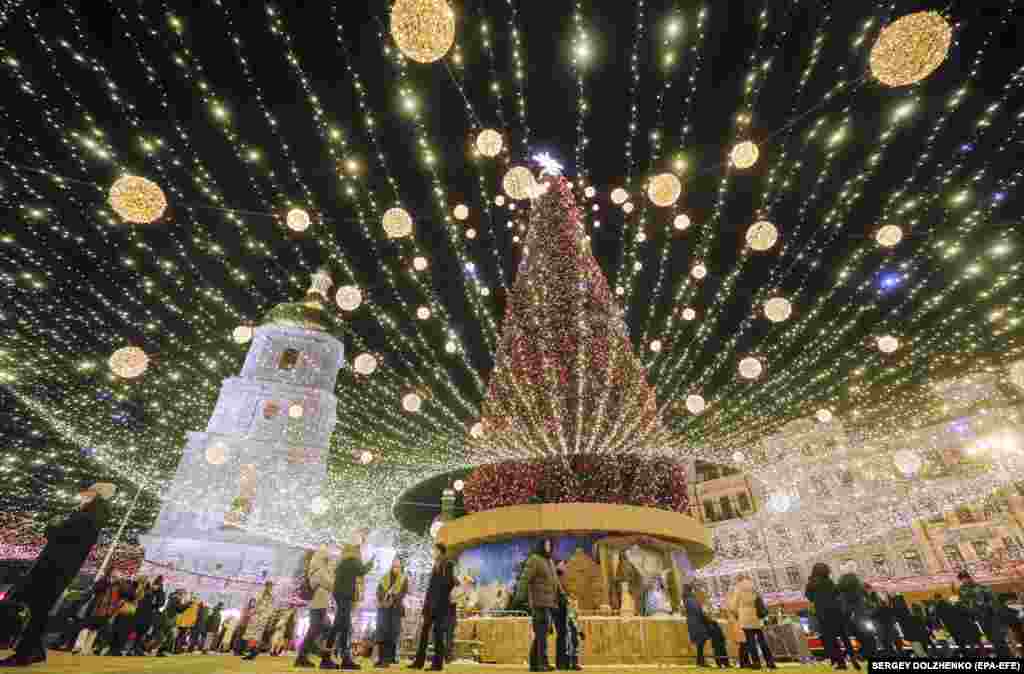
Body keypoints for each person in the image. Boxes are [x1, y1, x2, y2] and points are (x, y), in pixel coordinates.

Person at [0, 483, 114, 667]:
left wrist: (53, 526)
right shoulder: (90, 516)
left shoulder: (87, 518)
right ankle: (33, 651)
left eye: (90, 492)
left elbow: (60, 535)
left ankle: (24, 654)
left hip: (53, 568)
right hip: (57, 568)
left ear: (97, 495)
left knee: (28, 606)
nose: (85, 495)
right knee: (37, 610)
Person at [515, 539, 562, 673]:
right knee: (541, 634)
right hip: (538, 603)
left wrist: (562, 596)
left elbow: (555, 582)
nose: (548, 547)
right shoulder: (534, 559)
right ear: (541, 545)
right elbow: (525, 578)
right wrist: (519, 597)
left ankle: (535, 663)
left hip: (548, 603)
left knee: (542, 634)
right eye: (546, 545)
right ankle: (542, 663)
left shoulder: (549, 561)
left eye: (550, 545)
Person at [328, 544, 375, 670]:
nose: (359, 554)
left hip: (340, 597)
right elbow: (363, 571)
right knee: (341, 626)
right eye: (358, 552)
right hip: (345, 597)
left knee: (342, 627)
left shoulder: (343, 562)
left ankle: (342, 658)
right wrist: (372, 561)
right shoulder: (352, 561)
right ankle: (329, 658)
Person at [410, 543, 456, 671]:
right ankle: (419, 661)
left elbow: (448, 583)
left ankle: (437, 664)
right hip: (430, 605)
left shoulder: (448, 564)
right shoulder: (435, 565)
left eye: (434, 550)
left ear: (440, 551)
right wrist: (426, 604)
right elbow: (431, 588)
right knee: (424, 633)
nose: (432, 552)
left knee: (438, 634)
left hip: (441, 606)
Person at [295, 546, 336, 668]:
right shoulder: (318, 569)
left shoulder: (319, 567)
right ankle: (303, 656)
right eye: (327, 556)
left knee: (321, 628)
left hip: (320, 603)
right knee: (315, 630)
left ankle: (311, 654)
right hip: (318, 603)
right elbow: (329, 584)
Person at [957, 570, 1010, 658]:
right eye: (962, 579)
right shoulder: (961, 591)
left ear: (969, 577)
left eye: (965, 578)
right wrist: (969, 611)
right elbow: (963, 604)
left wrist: (986, 606)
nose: (964, 581)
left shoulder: (981, 587)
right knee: (990, 637)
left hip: (990, 616)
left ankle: (1006, 655)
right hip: (979, 618)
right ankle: (1001, 654)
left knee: (998, 637)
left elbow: (993, 600)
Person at [727, 575, 775, 669]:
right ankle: (770, 662)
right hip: (756, 617)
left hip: (745, 617)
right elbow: (760, 600)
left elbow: (733, 606)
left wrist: (736, 612)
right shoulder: (754, 587)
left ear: (738, 580)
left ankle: (756, 663)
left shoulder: (738, 588)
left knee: (750, 641)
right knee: (762, 640)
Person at [806, 563, 848, 670]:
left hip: (823, 614)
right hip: (835, 612)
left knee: (830, 639)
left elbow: (809, 596)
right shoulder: (829, 581)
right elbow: (836, 593)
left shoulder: (812, 583)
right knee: (842, 636)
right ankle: (848, 658)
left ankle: (839, 661)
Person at [375, 557, 408, 668]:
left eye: (398, 567)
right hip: (383, 609)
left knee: (392, 634)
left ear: (400, 567)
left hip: (396, 609)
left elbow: (403, 593)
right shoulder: (384, 578)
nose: (396, 568)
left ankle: (388, 659)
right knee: (381, 633)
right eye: (394, 566)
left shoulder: (403, 579)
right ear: (391, 566)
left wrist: (393, 598)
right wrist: (383, 599)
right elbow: (379, 590)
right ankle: (381, 659)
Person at [836, 570, 873, 662]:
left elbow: (841, 607)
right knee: (868, 638)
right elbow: (867, 600)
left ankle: (862, 654)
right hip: (861, 618)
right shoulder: (859, 590)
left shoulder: (842, 594)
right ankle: (866, 654)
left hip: (850, 620)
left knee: (859, 638)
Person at [242, 581, 275, 661]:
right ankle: (252, 652)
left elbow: (270, 608)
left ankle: (253, 652)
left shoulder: (269, 596)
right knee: (253, 636)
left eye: (270, 586)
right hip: (257, 617)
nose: (269, 588)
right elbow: (255, 604)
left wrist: (266, 616)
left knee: (255, 636)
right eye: (268, 586)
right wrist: (252, 613)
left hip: (260, 617)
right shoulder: (261, 594)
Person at [105, 581, 137, 656]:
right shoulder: (132, 595)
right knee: (120, 633)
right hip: (127, 614)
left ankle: (113, 649)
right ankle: (115, 649)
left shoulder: (124, 594)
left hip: (122, 613)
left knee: (116, 631)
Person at [683, 584, 711, 667]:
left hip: (694, 622)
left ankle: (700, 660)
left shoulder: (688, 599)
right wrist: (705, 617)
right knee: (701, 641)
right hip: (697, 622)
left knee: (700, 642)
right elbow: (697, 610)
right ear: (691, 590)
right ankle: (700, 661)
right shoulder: (690, 599)